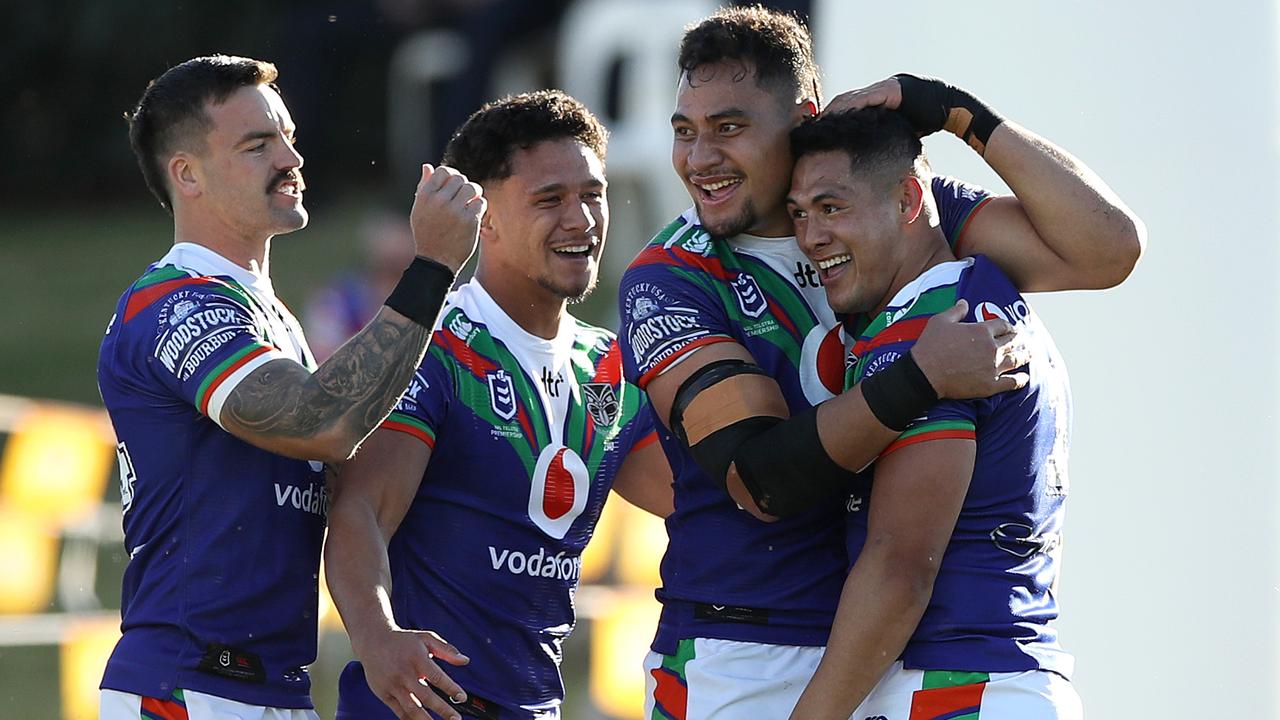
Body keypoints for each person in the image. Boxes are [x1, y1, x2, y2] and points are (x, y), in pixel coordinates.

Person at [615, 6, 1145, 719]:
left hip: (878, 649)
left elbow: (1107, 250)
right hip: (740, 651)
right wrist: (920, 377)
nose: (699, 157)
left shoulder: (898, 217)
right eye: (685, 131)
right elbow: (762, 480)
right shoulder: (669, 277)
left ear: (801, 117)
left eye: (729, 127)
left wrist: (958, 113)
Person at [97, 55, 484, 719]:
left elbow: (344, 478)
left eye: (288, 138)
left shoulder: (270, 316)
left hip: (269, 686)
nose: (290, 158)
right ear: (187, 174)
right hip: (190, 686)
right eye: (257, 145)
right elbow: (320, 422)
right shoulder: (176, 304)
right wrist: (432, 267)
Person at [324, 90, 674, 720]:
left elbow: (697, 499)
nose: (581, 221)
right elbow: (358, 514)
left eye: (592, 195)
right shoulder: (431, 349)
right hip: (421, 708)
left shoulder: (610, 368)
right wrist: (378, 641)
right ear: (482, 217)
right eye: (549, 200)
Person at [786, 107, 1079, 719]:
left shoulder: (926, 328)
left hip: (956, 688)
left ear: (909, 200)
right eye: (799, 214)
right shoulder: (983, 287)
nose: (810, 236)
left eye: (832, 208)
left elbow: (900, 568)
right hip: (1008, 678)